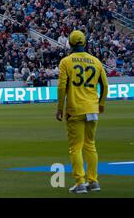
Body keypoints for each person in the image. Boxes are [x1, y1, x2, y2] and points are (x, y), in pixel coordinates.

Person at [56, 30, 109, 194]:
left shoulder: (66, 62)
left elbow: (62, 87)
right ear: (84, 43)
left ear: (70, 44)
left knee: (75, 148)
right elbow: (105, 86)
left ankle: (80, 183)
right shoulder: (96, 61)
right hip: (92, 109)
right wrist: (101, 104)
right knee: (90, 146)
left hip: (75, 109)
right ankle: (93, 181)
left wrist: (60, 108)